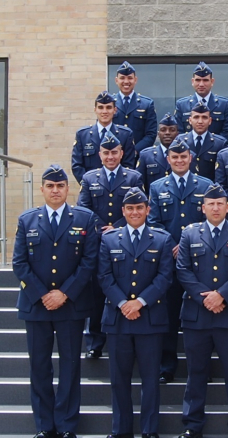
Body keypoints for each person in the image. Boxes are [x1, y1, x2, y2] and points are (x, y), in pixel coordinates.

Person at [12, 165, 99, 438]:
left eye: (60, 186)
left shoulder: (84, 219)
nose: (55, 190)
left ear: (67, 189)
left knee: (71, 366)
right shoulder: (27, 220)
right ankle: (44, 426)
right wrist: (42, 294)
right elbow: (19, 263)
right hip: (36, 305)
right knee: (39, 366)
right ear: (42, 190)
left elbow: (89, 262)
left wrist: (65, 293)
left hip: (71, 305)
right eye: (50, 186)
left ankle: (66, 426)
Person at [176, 184, 228, 438]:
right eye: (210, 204)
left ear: (227, 206)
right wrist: (206, 299)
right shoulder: (190, 233)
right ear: (203, 208)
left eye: (220, 203)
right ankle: (192, 425)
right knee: (196, 372)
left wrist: (221, 295)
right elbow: (183, 270)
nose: (215, 207)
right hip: (197, 314)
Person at [98, 187, 174, 438]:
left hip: (149, 319)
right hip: (118, 319)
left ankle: (149, 430)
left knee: (150, 379)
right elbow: (104, 277)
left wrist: (140, 302)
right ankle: (121, 430)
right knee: (119, 380)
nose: (134, 212)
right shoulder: (109, 240)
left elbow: (165, 277)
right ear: (123, 211)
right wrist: (123, 304)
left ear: (147, 210)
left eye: (139, 208)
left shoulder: (161, 239)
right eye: (130, 208)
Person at [147, 139, 212, 384]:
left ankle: (204, 369)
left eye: (183, 157)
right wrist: (172, 244)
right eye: (175, 157)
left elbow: (209, 221)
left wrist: (186, 246)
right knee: (170, 315)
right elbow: (153, 222)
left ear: (191, 158)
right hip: (169, 262)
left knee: (202, 317)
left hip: (199, 262)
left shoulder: (205, 185)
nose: (179, 160)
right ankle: (167, 366)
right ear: (168, 160)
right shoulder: (156, 187)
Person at [77, 134, 144, 360]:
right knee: (97, 292)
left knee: (125, 286)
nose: (110, 156)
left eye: (114, 152)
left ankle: (129, 335)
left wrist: (116, 227)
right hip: (97, 242)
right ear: (99, 155)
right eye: (106, 153)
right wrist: (102, 228)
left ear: (122, 153)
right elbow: (84, 209)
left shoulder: (133, 177)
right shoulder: (89, 178)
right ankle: (95, 341)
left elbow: (139, 207)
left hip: (126, 241)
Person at [72, 91, 136, 184]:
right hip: (92, 190)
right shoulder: (82, 135)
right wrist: (89, 185)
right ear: (95, 110)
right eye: (101, 107)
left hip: (118, 189)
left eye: (109, 107)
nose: (104, 111)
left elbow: (129, 165)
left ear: (115, 110)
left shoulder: (125, 134)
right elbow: (77, 166)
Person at [174, 61, 228, 141]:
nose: (201, 84)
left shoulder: (224, 105)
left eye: (205, 80)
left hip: (215, 151)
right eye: (198, 80)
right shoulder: (182, 105)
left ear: (212, 81)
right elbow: (179, 133)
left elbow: (227, 133)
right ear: (192, 81)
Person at [112, 61, 158, 152]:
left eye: (130, 78)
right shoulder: (109, 104)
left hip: (138, 157)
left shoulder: (147, 104)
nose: (126, 81)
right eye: (122, 78)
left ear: (135, 80)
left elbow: (151, 135)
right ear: (116, 80)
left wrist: (133, 151)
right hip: (113, 157)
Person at [177, 101, 228, 182]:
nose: (200, 121)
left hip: (210, 191)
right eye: (196, 117)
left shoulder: (220, 143)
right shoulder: (179, 141)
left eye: (204, 117)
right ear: (190, 120)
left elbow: (221, 175)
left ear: (210, 120)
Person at [137, 113, 180, 189]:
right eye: (163, 130)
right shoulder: (146, 156)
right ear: (158, 134)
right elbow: (139, 184)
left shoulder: (185, 155)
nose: (167, 133)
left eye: (172, 130)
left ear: (177, 134)